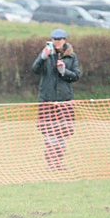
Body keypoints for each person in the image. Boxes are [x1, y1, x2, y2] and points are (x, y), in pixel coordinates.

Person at [31, 28, 82, 171]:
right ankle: (51, 164)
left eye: (60, 39)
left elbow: (76, 76)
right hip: (47, 101)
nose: (57, 42)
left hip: (65, 102)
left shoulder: (71, 56)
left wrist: (64, 71)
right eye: (55, 39)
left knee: (62, 135)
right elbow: (35, 69)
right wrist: (42, 57)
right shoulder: (46, 54)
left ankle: (58, 163)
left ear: (65, 40)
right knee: (49, 135)